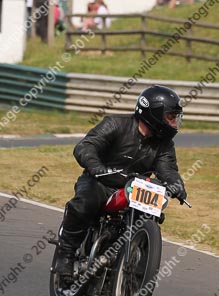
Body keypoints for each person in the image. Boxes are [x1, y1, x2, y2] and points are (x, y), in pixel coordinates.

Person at [53, 85, 187, 276]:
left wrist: (176, 184)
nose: (174, 124)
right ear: (155, 114)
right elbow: (86, 146)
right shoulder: (115, 124)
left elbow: (167, 168)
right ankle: (65, 255)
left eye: (175, 118)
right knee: (85, 203)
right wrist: (97, 167)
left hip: (134, 189)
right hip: (100, 181)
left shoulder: (164, 145)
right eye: (170, 117)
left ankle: (136, 264)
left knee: (151, 217)